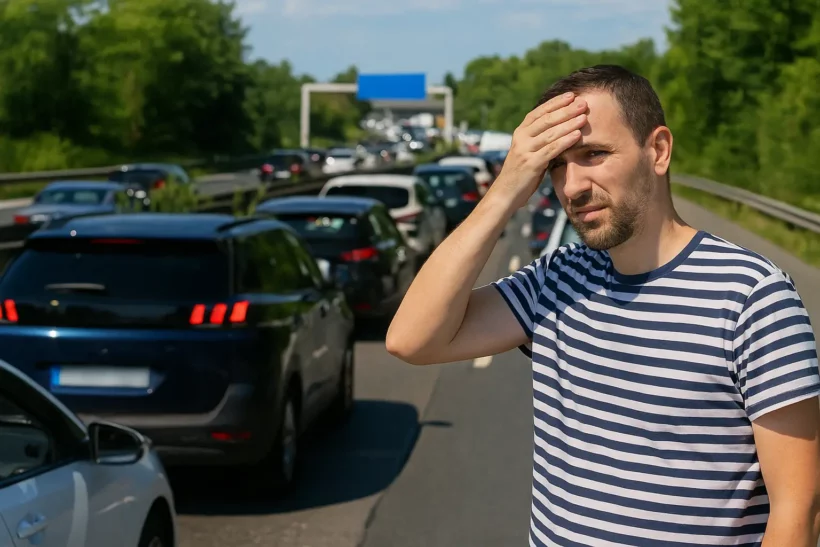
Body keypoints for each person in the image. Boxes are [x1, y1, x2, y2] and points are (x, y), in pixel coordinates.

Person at [386, 64, 820, 546]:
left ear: (657, 150)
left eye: (593, 154)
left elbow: (798, 510)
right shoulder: (558, 278)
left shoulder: (752, 295)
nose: (571, 187)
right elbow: (412, 340)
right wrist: (506, 189)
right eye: (555, 165)